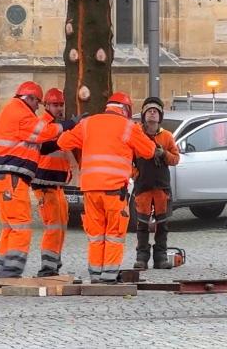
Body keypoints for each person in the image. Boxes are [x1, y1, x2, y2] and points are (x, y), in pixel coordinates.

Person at [58, 92, 156, 283]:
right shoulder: (129, 127)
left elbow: (63, 142)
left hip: (90, 190)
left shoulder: (88, 123)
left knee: (95, 235)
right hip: (114, 191)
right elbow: (149, 151)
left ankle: (95, 274)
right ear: (126, 109)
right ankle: (109, 276)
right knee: (114, 234)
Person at [0, 81, 77, 278]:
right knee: (20, 225)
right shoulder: (21, 112)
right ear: (31, 98)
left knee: (10, 226)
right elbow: (43, 132)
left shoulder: (14, 111)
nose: (38, 107)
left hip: (2, 177)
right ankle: (11, 273)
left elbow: (41, 146)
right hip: (11, 177)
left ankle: (2, 271)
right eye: (38, 102)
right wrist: (70, 124)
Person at [132, 96, 180, 270]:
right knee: (142, 224)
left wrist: (163, 154)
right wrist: (135, 174)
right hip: (143, 185)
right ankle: (142, 257)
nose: (152, 114)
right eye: (149, 111)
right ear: (144, 115)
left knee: (162, 224)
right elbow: (127, 159)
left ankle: (160, 257)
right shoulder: (136, 136)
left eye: (155, 111)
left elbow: (176, 159)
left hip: (161, 186)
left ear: (160, 116)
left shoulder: (167, 137)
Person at [31, 88, 75, 277]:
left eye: (61, 105)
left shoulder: (58, 126)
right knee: (53, 225)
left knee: (61, 224)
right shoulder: (45, 124)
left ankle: (54, 261)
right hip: (44, 183)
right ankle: (48, 266)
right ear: (46, 105)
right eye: (55, 105)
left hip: (56, 184)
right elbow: (45, 147)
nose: (59, 108)